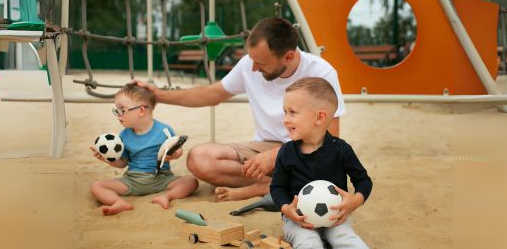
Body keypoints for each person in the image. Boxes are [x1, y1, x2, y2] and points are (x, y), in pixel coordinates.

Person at [134, 17, 346, 201]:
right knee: (199, 158)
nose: (253, 67)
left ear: (288, 57)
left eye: (261, 62)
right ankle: (270, 185)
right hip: (264, 146)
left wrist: (277, 155)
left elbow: (330, 138)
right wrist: (159, 95)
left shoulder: (321, 73)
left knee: (323, 170)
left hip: (305, 150)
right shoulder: (249, 64)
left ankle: (270, 185)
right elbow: (212, 94)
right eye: (251, 59)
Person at [270, 77, 372, 248]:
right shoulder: (286, 152)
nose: (285, 119)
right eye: (285, 112)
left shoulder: (341, 150)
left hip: (335, 217)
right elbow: (277, 187)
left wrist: (356, 200)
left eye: (292, 112)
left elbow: (363, 180)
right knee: (308, 242)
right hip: (299, 220)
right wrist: (287, 209)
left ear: (319, 117)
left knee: (345, 239)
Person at [89, 84, 199, 215]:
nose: (118, 115)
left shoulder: (164, 130)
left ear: (141, 111)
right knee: (97, 186)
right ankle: (118, 202)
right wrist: (107, 159)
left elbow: (177, 150)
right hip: (133, 180)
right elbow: (122, 163)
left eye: (122, 110)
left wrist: (174, 154)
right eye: (116, 110)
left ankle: (167, 196)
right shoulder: (124, 135)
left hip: (162, 179)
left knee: (191, 182)